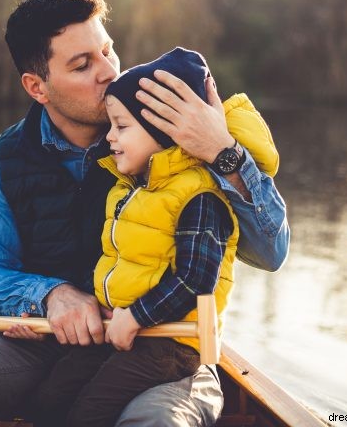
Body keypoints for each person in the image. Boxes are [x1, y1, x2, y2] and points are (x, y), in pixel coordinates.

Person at [0, 0, 289, 427]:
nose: (108, 71)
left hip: (163, 348)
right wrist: (48, 296)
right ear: (36, 86)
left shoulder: (176, 133)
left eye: (107, 50)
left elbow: (270, 254)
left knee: (158, 422)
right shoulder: (7, 158)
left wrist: (223, 151)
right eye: (82, 65)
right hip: (43, 350)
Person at [33, 47, 280, 427]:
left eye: (122, 127)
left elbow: (196, 280)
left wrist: (135, 315)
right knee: (50, 401)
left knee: (88, 414)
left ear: (163, 133)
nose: (110, 137)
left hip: (170, 344)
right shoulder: (132, 187)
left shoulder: (199, 196)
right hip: (126, 330)